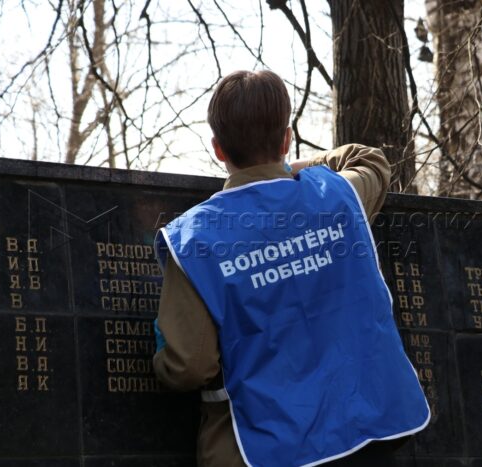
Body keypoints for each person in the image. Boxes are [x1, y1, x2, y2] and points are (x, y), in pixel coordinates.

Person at [152, 70, 430, 467]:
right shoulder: (335, 196)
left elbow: (187, 367)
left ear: (218, 148)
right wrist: (294, 166)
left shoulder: (193, 239)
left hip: (260, 450)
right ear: (285, 139)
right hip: (369, 434)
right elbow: (369, 160)